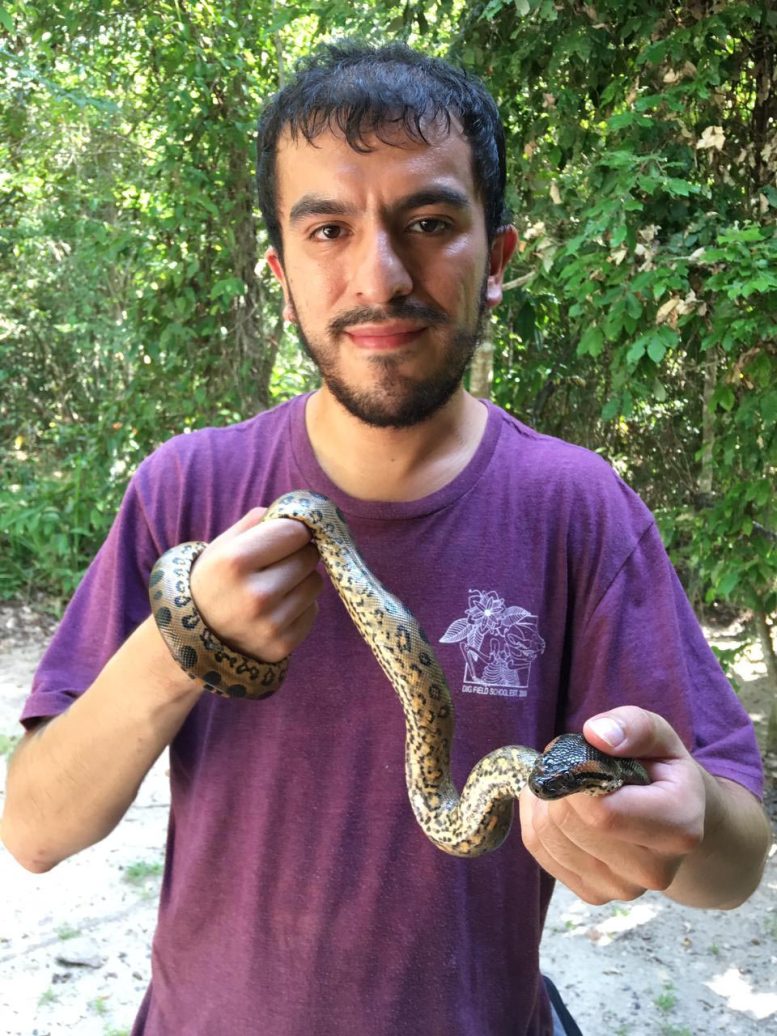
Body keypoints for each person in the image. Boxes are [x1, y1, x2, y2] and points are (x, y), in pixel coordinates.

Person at [0, 40, 769, 1036]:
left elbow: (738, 858)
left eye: (431, 221)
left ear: (496, 261)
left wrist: (688, 819)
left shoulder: (580, 511)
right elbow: (32, 828)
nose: (381, 271)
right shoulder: (186, 489)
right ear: (281, 272)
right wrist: (182, 638)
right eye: (328, 228)